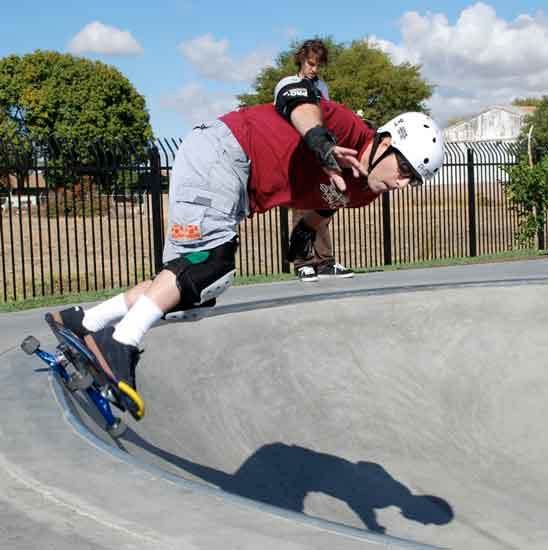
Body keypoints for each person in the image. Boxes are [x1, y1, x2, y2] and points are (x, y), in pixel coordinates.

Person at [46, 77, 444, 417]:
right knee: (211, 268)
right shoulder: (346, 126)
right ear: (386, 141)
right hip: (225, 150)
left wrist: (306, 231)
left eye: (414, 180)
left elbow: (325, 203)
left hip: (232, 182)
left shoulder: (364, 193)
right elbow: (292, 92)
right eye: (405, 169)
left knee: (190, 286)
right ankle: (119, 343)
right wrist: (320, 140)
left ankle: (86, 322)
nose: (402, 184)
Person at [283, 38, 353, 282]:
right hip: (297, 149)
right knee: (301, 206)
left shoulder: (322, 87)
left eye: (317, 65)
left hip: (320, 151)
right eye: (310, 63)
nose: (314, 68)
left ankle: (325, 261)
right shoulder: (288, 84)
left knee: (323, 202)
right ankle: (303, 262)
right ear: (301, 59)